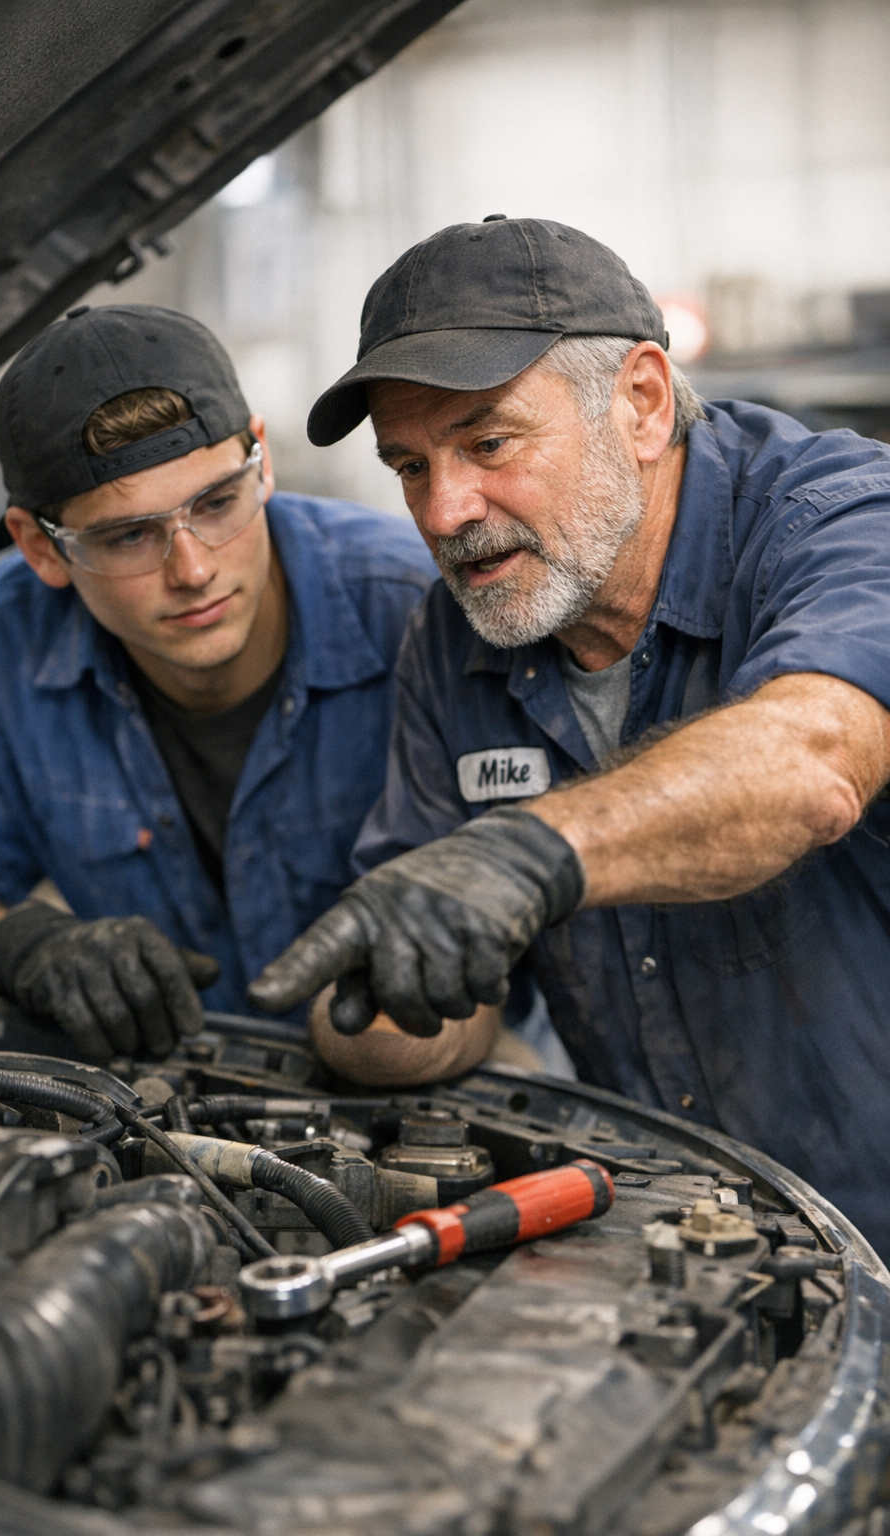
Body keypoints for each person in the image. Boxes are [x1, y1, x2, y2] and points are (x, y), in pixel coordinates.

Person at [249, 216, 890, 1259]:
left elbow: (809, 759)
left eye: (489, 443)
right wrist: (375, 1011)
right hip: (690, 1263)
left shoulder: (843, 521)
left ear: (638, 401)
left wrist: (528, 854)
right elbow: (453, 1000)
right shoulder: (456, 637)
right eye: (410, 466)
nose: (446, 511)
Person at [0, 303, 441, 1067]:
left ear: (260, 460)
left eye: (216, 504)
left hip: (450, 1091)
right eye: (128, 535)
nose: (193, 569)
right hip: (170, 1112)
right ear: (39, 546)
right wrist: (23, 942)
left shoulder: (413, 605)